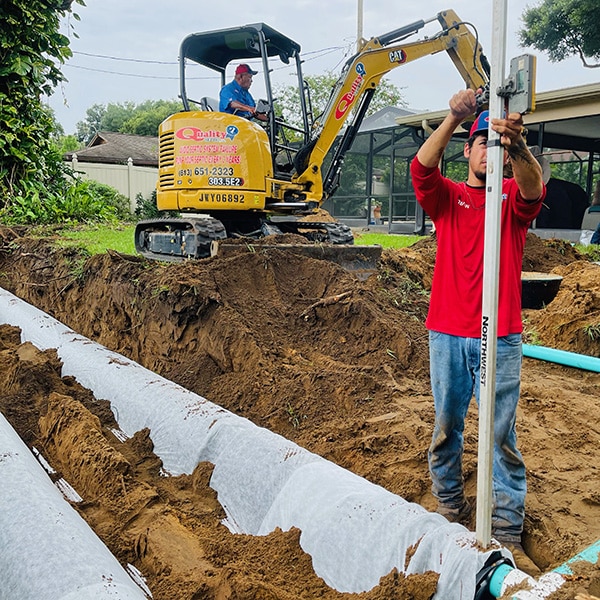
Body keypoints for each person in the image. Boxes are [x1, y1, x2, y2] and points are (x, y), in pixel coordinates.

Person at [410, 88, 546, 576]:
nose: (491, 150)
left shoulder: (511, 197)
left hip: (501, 335)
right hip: (447, 331)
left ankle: (507, 528)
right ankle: (448, 504)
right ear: (467, 151)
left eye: (498, 144)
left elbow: (534, 191)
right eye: (482, 141)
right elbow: (421, 170)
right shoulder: (448, 198)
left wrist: (520, 147)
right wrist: (452, 117)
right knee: (447, 423)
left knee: (500, 432)